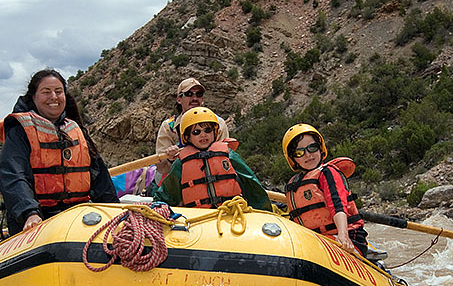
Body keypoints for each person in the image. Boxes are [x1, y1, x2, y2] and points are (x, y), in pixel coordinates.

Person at [0, 69, 118, 235]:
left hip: (76, 217)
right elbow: (14, 175)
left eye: (58, 92)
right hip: (37, 219)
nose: (54, 97)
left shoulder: (75, 129)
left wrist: (114, 210)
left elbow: (100, 178)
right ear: (34, 97)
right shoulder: (20, 130)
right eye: (46, 92)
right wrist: (30, 213)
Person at [154, 107, 271, 211]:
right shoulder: (181, 163)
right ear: (188, 137)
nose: (203, 134)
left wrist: (264, 211)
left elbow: (251, 183)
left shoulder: (228, 155)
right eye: (196, 132)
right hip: (199, 218)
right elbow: (168, 193)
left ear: (215, 132)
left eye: (207, 130)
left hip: (231, 211)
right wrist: (159, 208)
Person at [281, 124, 369, 257]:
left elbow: (337, 206)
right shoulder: (293, 184)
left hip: (348, 235)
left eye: (312, 148)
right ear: (292, 158)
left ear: (320, 149)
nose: (308, 155)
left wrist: (343, 236)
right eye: (300, 152)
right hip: (316, 239)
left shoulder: (328, 173)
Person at [154, 77, 230, 186]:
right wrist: (170, 159)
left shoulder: (218, 123)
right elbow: (161, 166)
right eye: (189, 94)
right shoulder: (169, 127)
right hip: (181, 180)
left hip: (213, 178)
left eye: (198, 94)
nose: (194, 98)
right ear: (179, 99)